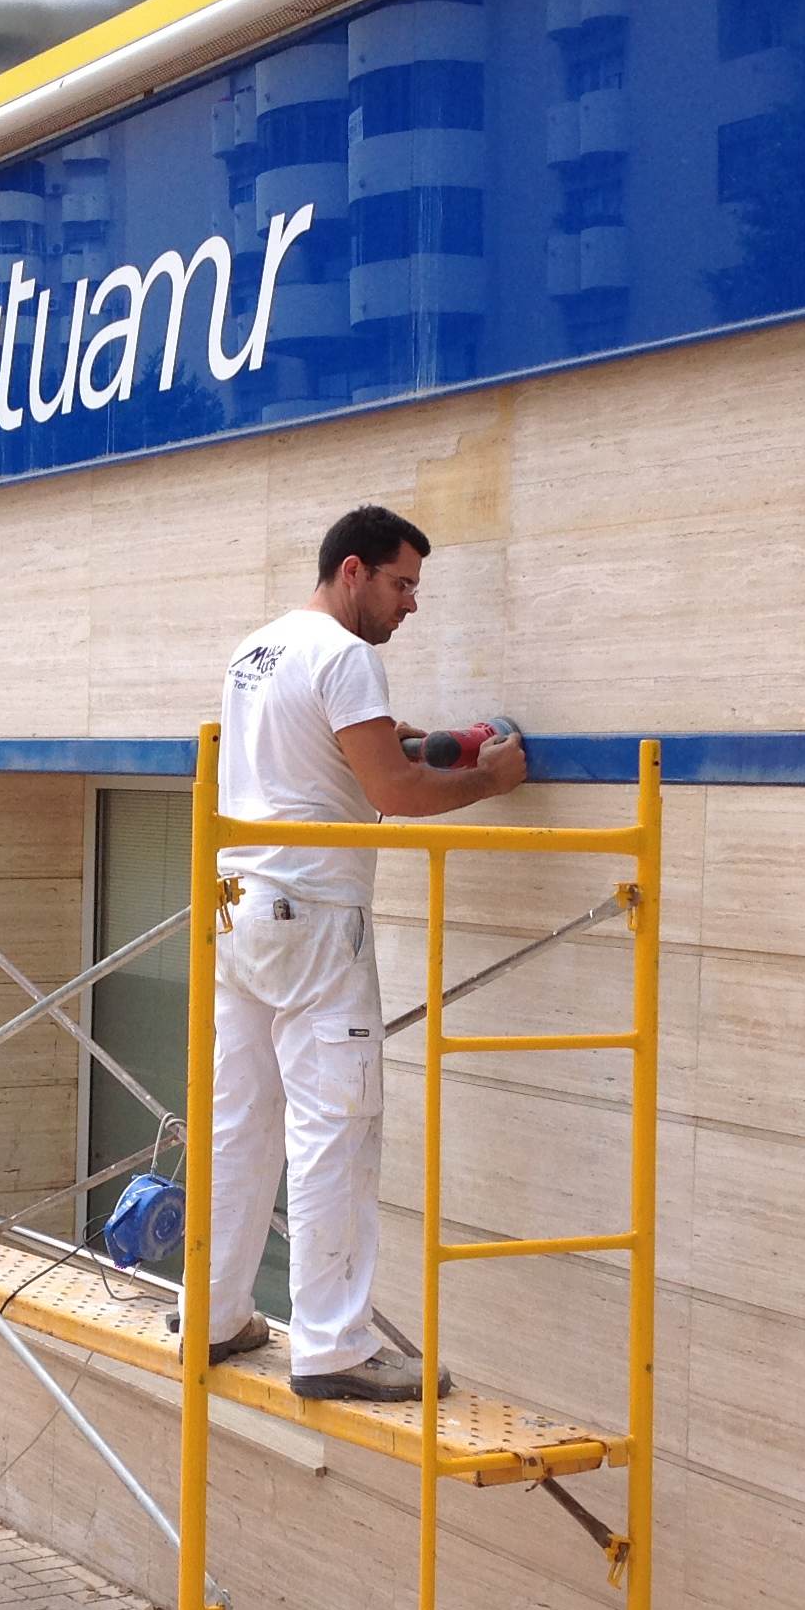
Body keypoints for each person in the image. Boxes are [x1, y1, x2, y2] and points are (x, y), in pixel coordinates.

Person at [204, 505, 525, 1401]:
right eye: (402, 583)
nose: (411, 604)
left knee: (241, 1118)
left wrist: (431, 739)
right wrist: (487, 778)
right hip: (313, 913)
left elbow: (345, 748)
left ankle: (218, 1311)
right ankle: (335, 1348)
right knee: (335, 1125)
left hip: (237, 907)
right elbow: (392, 788)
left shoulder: (256, 650)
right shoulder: (348, 657)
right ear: (354, 571)